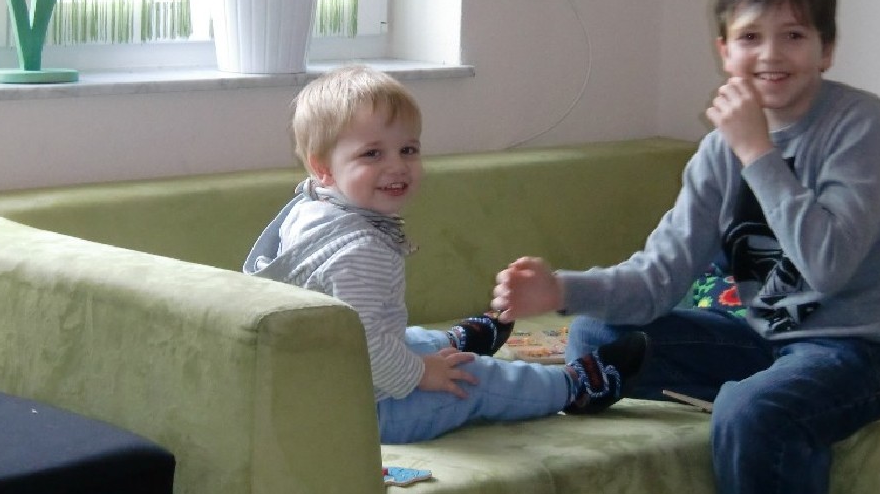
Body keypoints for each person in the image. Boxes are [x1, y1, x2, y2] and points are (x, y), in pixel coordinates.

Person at [492, 0, 880, 494]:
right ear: (725, 51)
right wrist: (559, 290)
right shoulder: (718, 150)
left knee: (749, 409)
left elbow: (828, 265)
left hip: (871, 352)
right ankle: (759, 408)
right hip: (771, 339)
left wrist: (757, 151)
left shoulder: (863, 127)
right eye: (750, 37)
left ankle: (763, 430)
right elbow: (658, 280)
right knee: (599, 335)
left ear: (825, 49)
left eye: (793, 35)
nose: (770, 54)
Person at [243, 64, 646, 444]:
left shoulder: (310, 209)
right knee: (475, 379)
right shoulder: (359, 252)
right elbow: (371, 348)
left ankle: (453, 340)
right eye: (372, 154)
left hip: (320, 382)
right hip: (366, 412)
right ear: (324, 169)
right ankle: (575, 387)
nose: (397, 166)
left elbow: (367, 334)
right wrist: (423, 373)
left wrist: (420, 357)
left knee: (410, 338)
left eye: (408, 149)